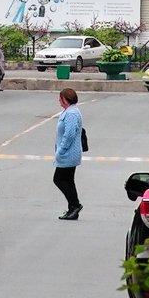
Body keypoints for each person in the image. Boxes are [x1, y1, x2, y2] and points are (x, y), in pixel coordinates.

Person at [53, 87, 83, 220]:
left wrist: (61, 151)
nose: (59, 100)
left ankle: (75, 204)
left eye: (61, 98)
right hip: (69, 152)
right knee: (69, 180)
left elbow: (69, 134)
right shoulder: (70, 111)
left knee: (58, 179)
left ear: (66, 99)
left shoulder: (71, 114)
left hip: (68, 153)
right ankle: (72, 208)